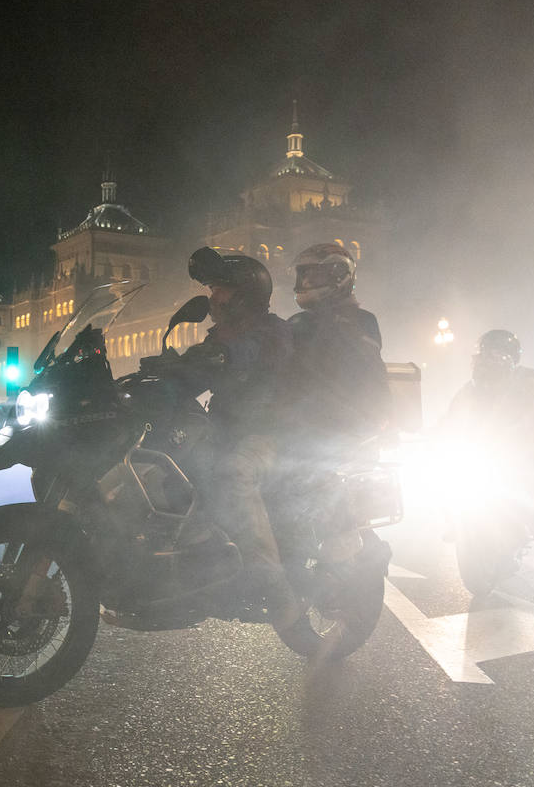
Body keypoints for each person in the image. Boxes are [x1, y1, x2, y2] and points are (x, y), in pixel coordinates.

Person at [165, 247, 298, 632]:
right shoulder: (218, 337)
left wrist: (218, 355)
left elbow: (245, 355)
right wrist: (162, 375)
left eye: (220, 288)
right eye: (211, 288)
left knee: (232, 472)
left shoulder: (273, 332)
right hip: (223, 431)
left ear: (244, 294)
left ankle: (276, 591)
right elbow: (195, 373)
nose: (212, 297)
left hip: (268, 435)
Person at [278, 242, 393, 566]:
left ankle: (348, 547)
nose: (305, 283)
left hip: (344, 428)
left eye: (313, 275)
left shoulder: (359, 321)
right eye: (303, 275)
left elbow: (355, 368)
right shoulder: (298, 324)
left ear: (338, 276)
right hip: (309, 425)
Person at [442, 329, 534, 546]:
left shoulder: (527, 377)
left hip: (517, 444)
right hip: (480, 445)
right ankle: (454, 519)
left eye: (500, 354)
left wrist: (518, 428)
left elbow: (527, 400)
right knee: (446, 474)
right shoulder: (470, 388)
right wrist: (439, 434)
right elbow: (452, 415)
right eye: (488, 353)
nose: (493, 359)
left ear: (512, 356)